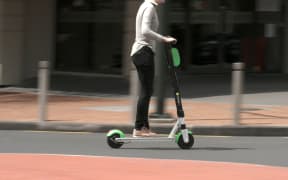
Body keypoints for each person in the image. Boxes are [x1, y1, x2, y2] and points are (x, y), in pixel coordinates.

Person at [130, 0, 177, 137]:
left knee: (147, 91)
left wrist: (163, 38)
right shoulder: (149, 7)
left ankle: (143, 127)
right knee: (146, 91)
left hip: (141, 52)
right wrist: (163, 39)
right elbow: (145, 31)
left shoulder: (146, 6)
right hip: (143, 52)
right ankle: (139, 128)